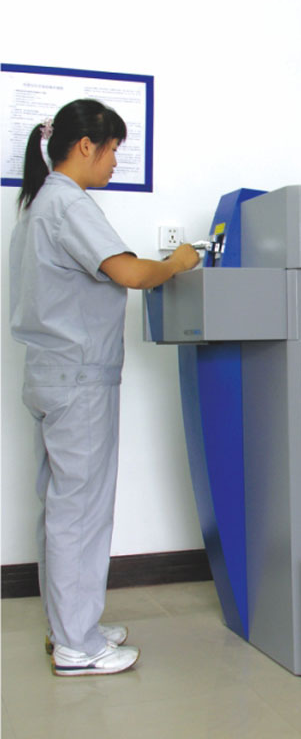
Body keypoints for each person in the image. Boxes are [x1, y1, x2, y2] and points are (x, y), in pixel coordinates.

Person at [9, 99, 199, 676]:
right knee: (81, 513)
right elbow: (131, 273)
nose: (116, 161)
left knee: (61, 508)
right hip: (79, 382)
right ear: (85, 146)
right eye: (113, 149)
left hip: (49, 376)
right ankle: (77, 645)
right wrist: (179, 261)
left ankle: (71, 627)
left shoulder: (38, 206)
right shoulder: (68, 203)